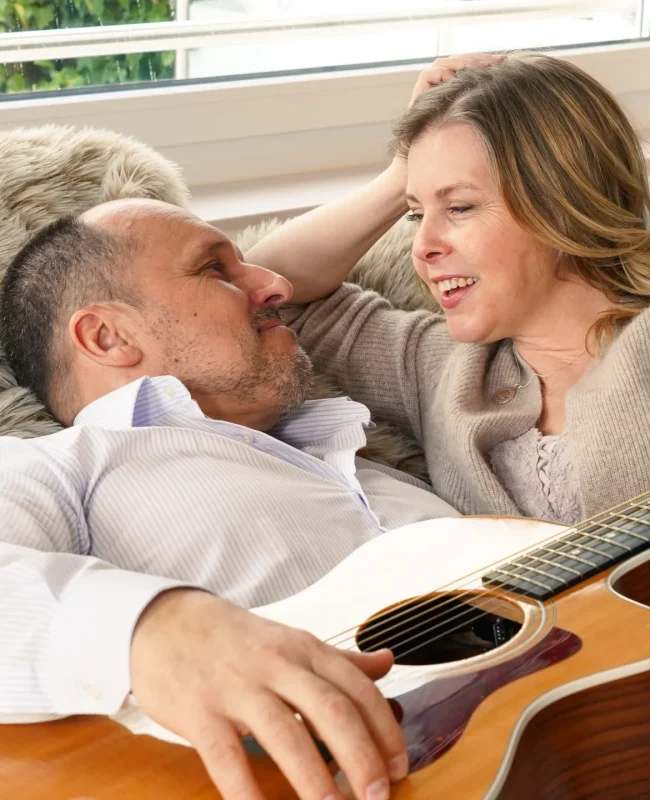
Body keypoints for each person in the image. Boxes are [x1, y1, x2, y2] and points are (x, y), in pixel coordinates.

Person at [248, 52, 650, 527]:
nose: (423, 246)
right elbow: (270, 288)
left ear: (562, 202)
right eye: (417, 213)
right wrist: (404, 174)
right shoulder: (442, 370)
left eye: (459, 207)